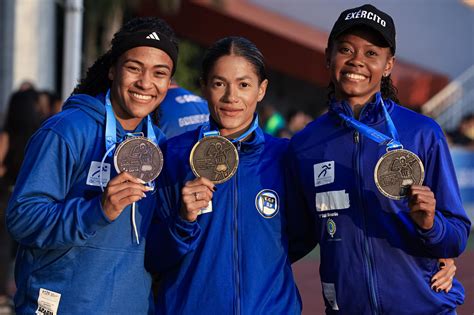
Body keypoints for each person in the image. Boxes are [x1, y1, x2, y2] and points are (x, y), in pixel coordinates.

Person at [287, 4, 470, 313]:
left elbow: (456, 237)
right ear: (328, 56)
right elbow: (294, 238)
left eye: (372, 53)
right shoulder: (305, 144)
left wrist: (430, 224)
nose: (357, 60)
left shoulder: (422, 133)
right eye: (346, 49)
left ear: (388, 65)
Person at [6, 17, 178, 314]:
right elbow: (22, 218)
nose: (145, 83)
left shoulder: (159, 146)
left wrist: (186, 218)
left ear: (169, 82)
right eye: (134, 67)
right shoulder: (67, 130)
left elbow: (154, 248)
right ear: (113, 70)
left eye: (159, 73)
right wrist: (96, 211)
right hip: (57, 306)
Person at [147, 36, 307, 314]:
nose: (231, 97)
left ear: (261, 89)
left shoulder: (284, 157)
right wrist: (182, 221)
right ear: (204, 88)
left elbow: (302, 236)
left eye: (244, 85)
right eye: (219, 83)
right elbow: (152, 256)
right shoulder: (173, 155)